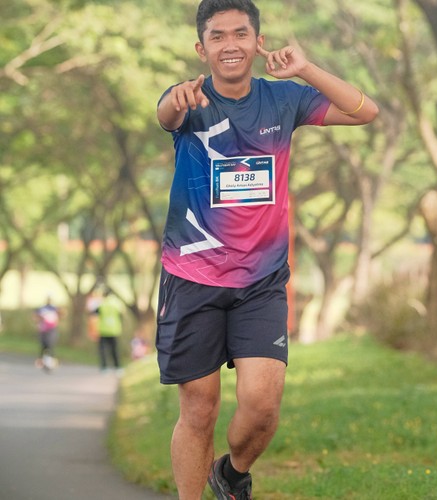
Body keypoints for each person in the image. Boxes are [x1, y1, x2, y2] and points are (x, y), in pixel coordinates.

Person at [155, 1, 378, 498]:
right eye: (217, 36)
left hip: (261, 279)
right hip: (192, 276)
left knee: (262, 408)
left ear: (258, 42)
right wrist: (176, 98)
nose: (229, 45)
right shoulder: (188, 100)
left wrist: (306, 69)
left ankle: (231, 474)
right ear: (201, 48)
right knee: (199, 409)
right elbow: (165, 113)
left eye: (240, 34)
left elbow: (365, 111)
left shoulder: (284, 99)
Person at [94, 289, 123, 373]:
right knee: (114, 350)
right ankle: (117, 367)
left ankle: (104, 367)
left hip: (104, 330)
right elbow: (121, 315)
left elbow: (95, 313)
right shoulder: (116, 304)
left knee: (103, 350)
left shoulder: (102, 304)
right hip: (114, 330)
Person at [34, 296, 60, 371]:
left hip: (51, 329)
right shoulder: (42, 308)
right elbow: (36, 316)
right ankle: (41, 362)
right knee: (43, 346)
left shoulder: (54, 308)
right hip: (43, 329)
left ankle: (52, 362)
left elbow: (61, 314)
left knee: (50, 345)